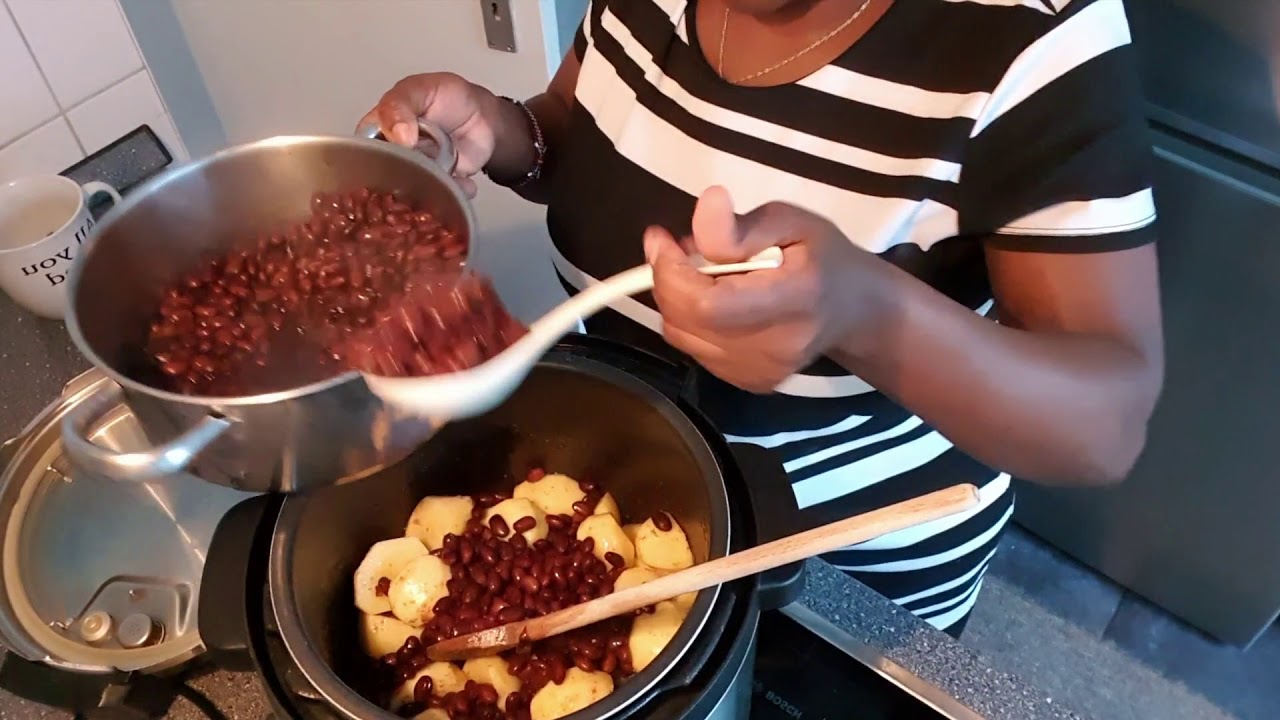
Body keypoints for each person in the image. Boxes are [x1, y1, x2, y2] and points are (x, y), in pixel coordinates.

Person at [363, 0, 1163, 638]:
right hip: (622, 504)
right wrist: (503, 134)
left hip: (845, 576)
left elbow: (1108, 422)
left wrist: (867, 316)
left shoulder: (1036, 31)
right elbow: (587, 134)